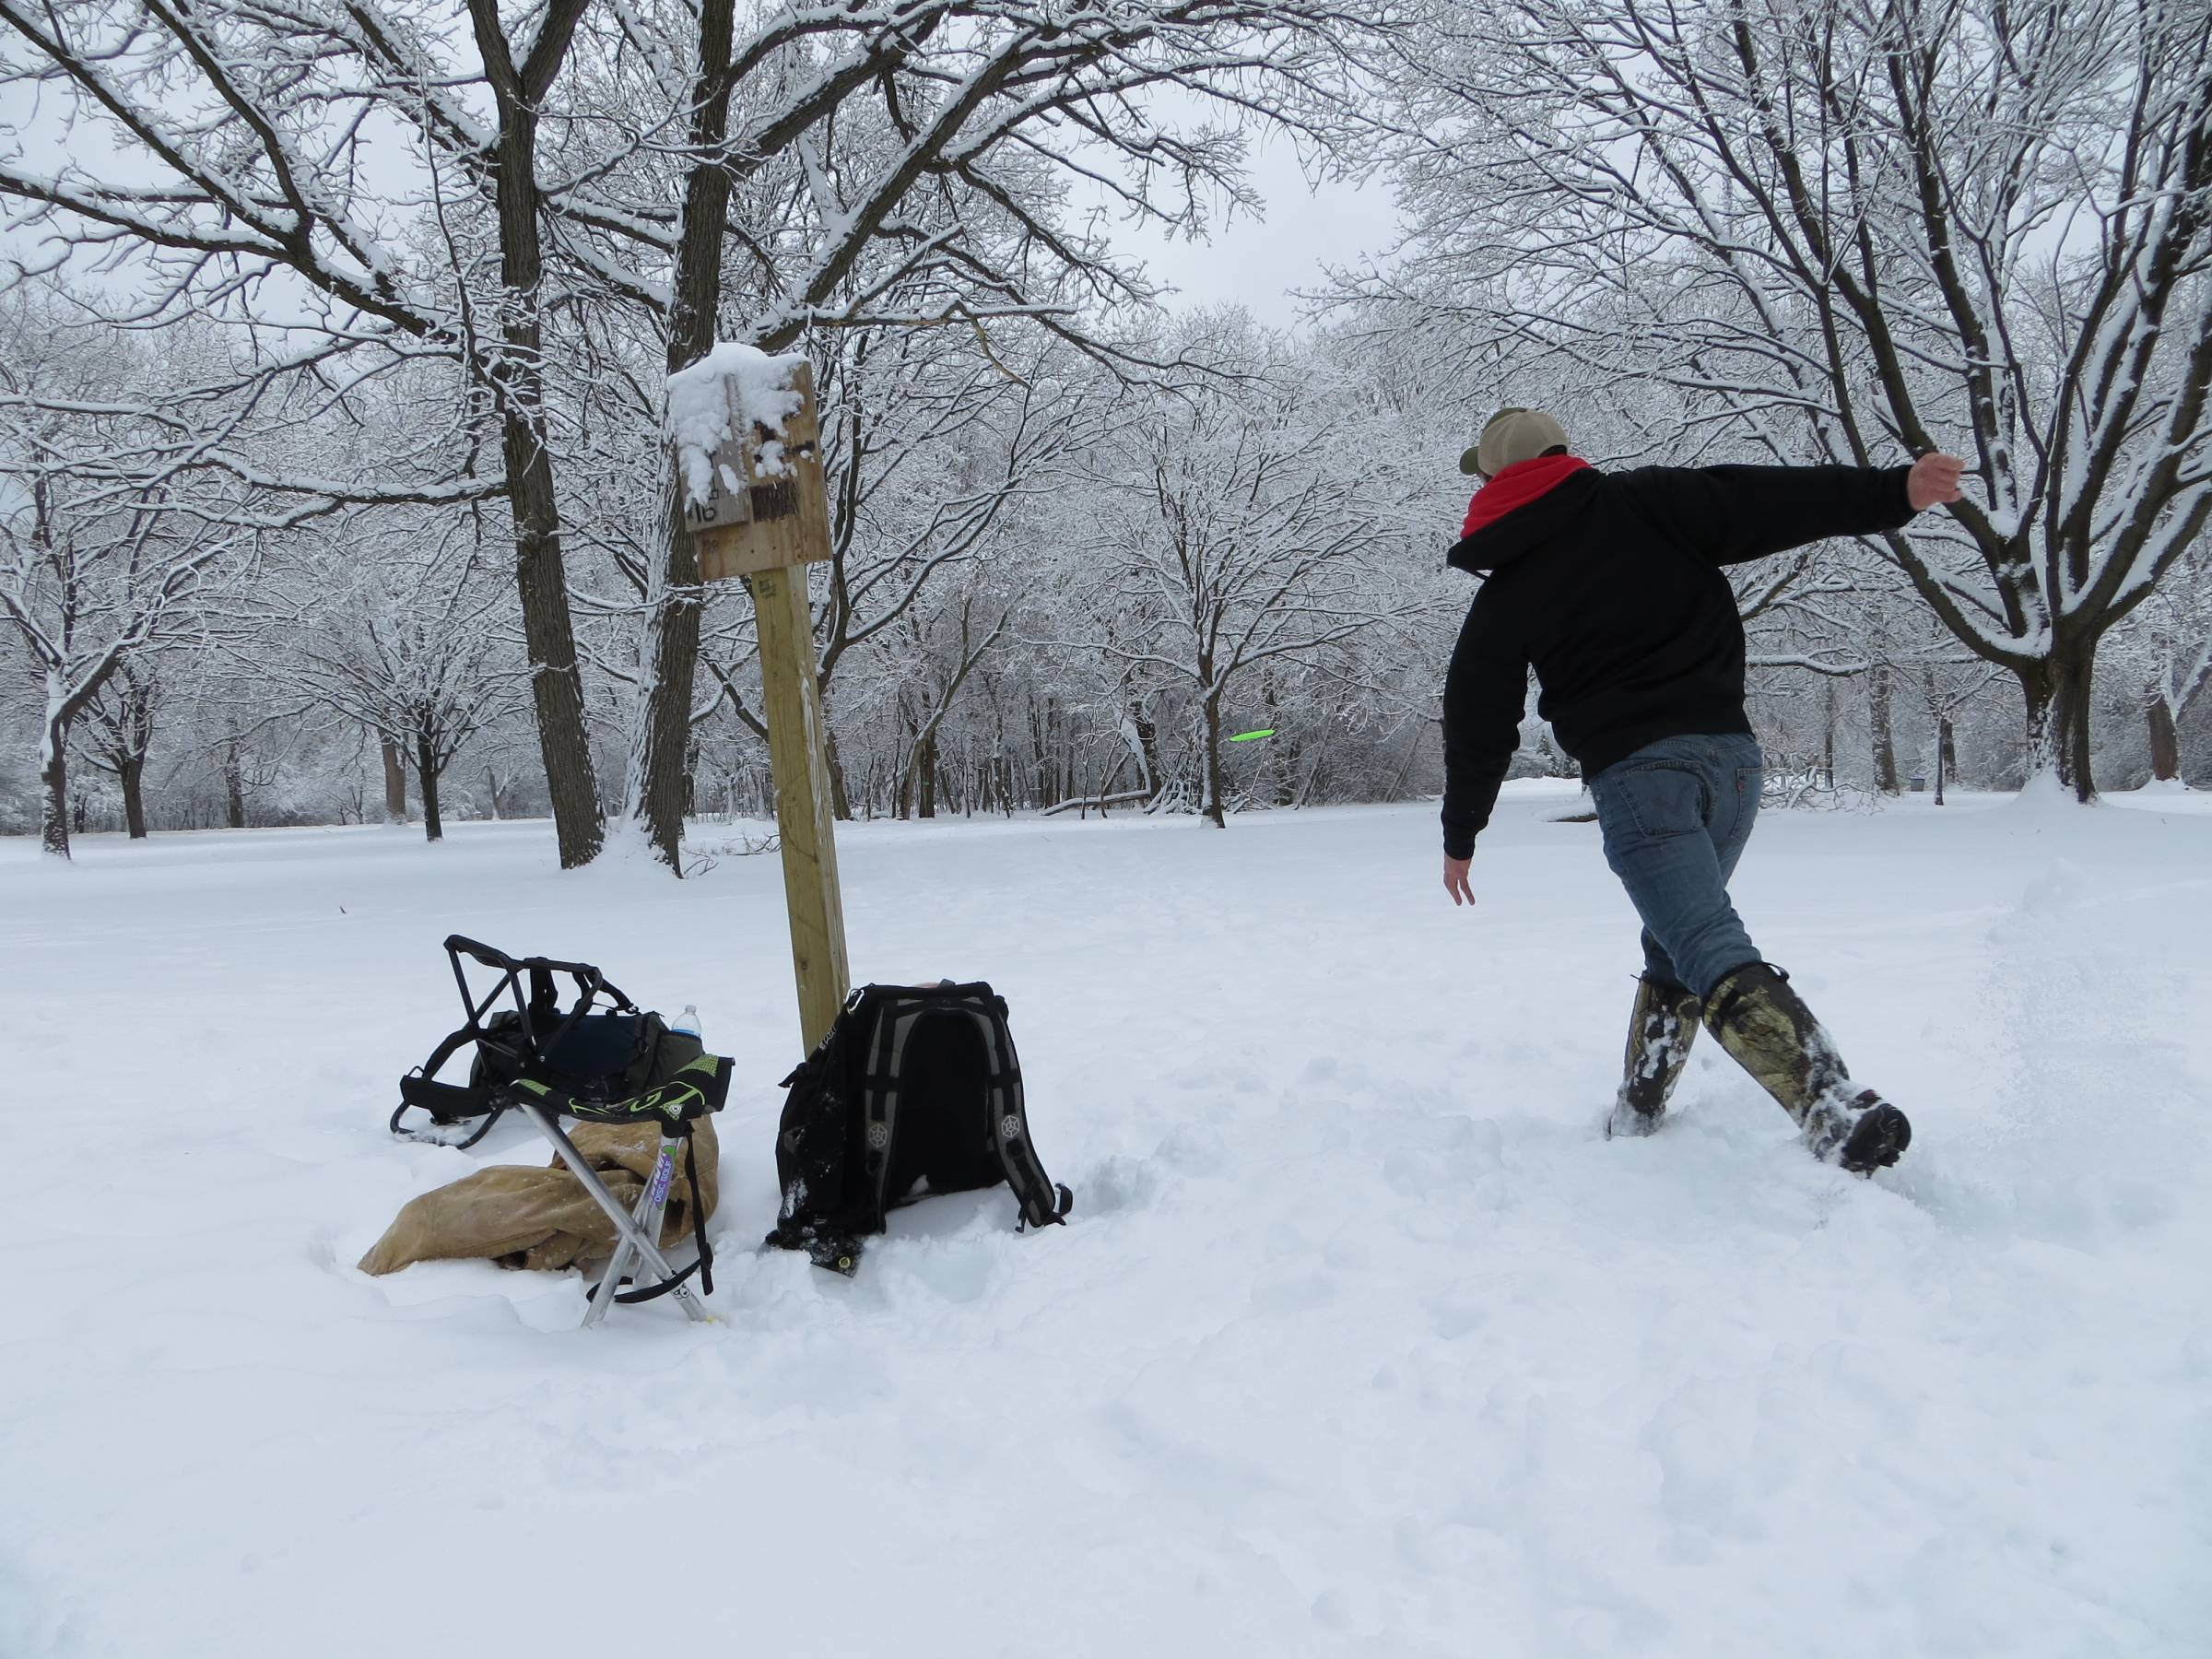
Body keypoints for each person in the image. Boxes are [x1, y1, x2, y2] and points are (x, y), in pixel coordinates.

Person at [1439, 407, 1965, 1172]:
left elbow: (1477, 720)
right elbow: (1767, 500)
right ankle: (1638, 1111)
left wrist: (1461, 833)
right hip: (1735, 768)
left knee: (1707, 945)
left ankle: (1829, 1104)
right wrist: (1893, 492)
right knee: (1675, 946)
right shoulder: (1652, 502)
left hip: (1641, 782)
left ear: (1495, 481)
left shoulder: (1511, 584)